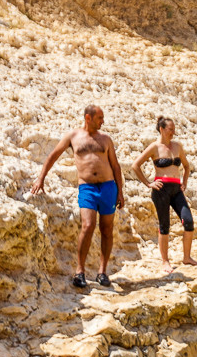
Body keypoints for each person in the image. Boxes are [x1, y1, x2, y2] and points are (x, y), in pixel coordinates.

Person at [29, 105, 126, 289]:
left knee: (107, 228)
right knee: (88, 225)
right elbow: (53, 155)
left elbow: (116, 166)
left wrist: (120, 191)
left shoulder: (106, 139)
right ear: (88, 118)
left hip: (108, 187)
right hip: (87, 188)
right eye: (99, 118)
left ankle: (102, 272)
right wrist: (41, 179)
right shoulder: (73, 137)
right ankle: (79, 271)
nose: (102, 121)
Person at [131, 116, 197, 274]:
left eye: (174, 130)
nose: (173, 133)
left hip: (176, 189)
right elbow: (135, 165)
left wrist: (185, 183)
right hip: (160, 189)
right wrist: (148, 183)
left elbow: (187, 166)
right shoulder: (155, 147)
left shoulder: (177, 147)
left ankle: (187, 257)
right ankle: (165, 262)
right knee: (164, 225)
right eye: (170, 130)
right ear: (161, 129)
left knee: (188, 221)